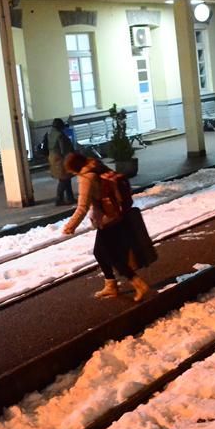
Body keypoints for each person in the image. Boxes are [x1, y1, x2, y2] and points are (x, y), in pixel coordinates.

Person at [62, 152, 151, 301]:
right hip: (115, 216)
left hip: (108, 220)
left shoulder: (86, 178)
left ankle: (138, 283)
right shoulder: (96, 166)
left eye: (70, 170)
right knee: (99, 252)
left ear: (75, 168)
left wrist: (70, 226)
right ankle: (111, 285)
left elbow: (82, 207)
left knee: (112, 256)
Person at [47, 118, 75, 205]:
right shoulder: (60, 135)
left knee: (66, 178)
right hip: (61, 159)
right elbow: (64, 149)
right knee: (64, 179)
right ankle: (59, 199)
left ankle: (70, 197)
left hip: (53, 158)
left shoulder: (50, 134)